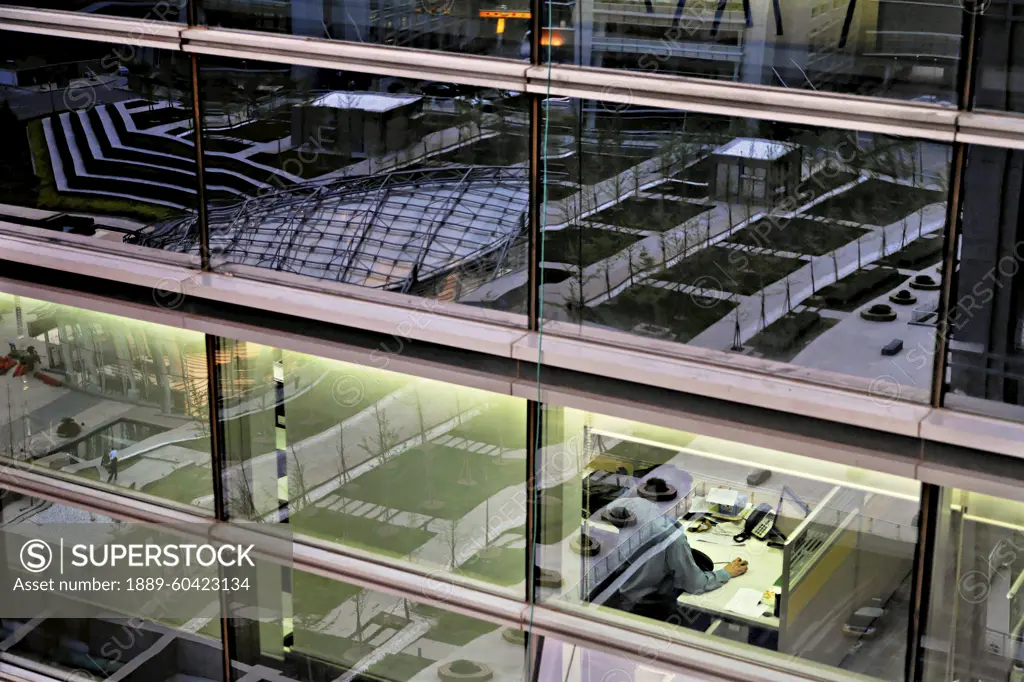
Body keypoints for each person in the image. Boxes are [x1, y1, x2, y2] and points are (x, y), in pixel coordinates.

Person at [605, 497, 748, 625]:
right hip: (651, 607)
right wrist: (726, 572)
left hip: (625, 593)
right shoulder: (673, 538)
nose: (691, 501)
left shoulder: (637, 505)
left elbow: (612, 507)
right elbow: (696, 584)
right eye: (687, 497)